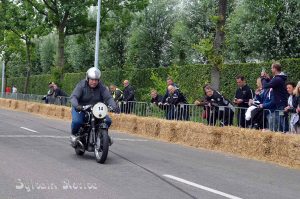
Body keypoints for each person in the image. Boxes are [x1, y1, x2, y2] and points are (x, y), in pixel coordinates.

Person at [70, 67, 119, 146]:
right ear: (88, 79)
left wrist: (114, 106)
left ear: (98, 80)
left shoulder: (101, 87)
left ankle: (103, 137)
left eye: (96, 80)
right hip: (81, 109)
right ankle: (74, 136)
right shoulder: (81, 85)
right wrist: (77, 106)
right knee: (77, 122)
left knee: (108, 121)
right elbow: (74, 97)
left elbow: (108, 97)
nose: (94, 82)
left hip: (96, 109)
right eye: (92, 79)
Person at [261, 63, 289, 132]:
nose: (271, 69)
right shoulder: (278, 78)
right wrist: (267, 78)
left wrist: (262, 78)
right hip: (279, 104)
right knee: (280, 123)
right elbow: (272, 83)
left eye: (271, 68)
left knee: (283, 122)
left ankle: (286, 135)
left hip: (281, 105)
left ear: (275, 69)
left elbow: (265, 86)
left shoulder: (278, 79)